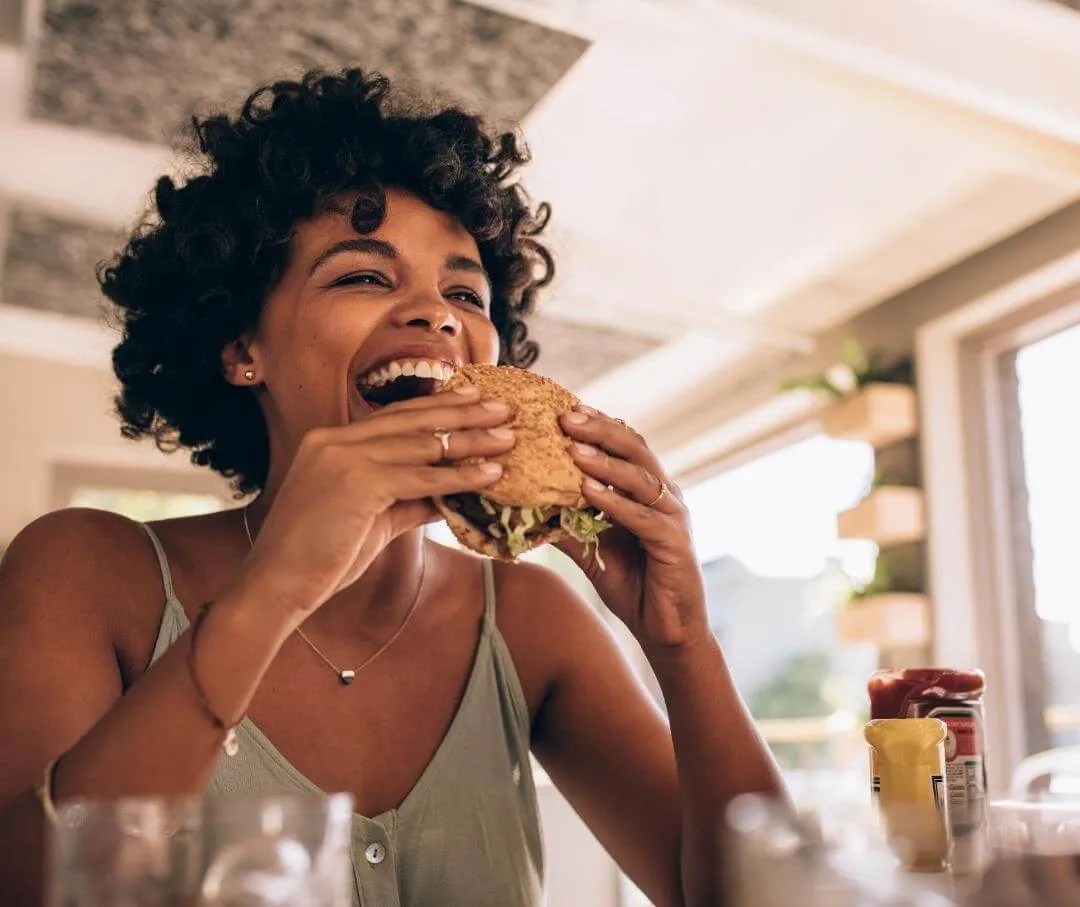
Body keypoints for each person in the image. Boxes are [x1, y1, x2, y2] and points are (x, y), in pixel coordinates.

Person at [0, 68, 783, 906]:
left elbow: (760, 898)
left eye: (464, 292)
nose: (436, 314)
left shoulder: (532, 620)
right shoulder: (85, 570)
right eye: (364, 277)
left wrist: (683, 643)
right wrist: (273, 593)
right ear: (241, 348)